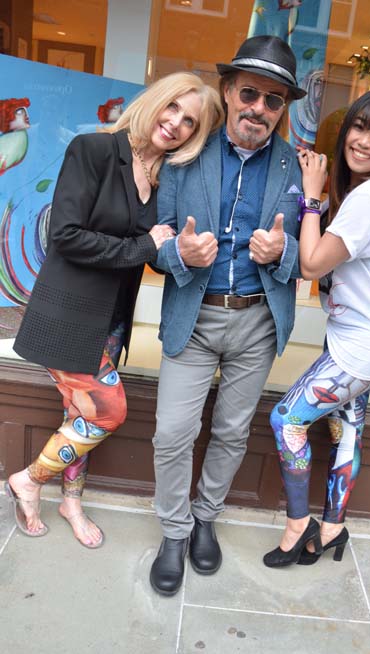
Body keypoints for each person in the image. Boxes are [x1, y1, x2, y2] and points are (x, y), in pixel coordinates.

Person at [6, 72, 223, 548]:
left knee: (77, 414)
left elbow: (155, 253)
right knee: (107, 411)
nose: (176, 124)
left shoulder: (165, 179)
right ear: (154, 103)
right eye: (173, 109)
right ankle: (29, 479)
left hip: (111, 318)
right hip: (67, 314)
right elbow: (64, 235)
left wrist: (179, 252)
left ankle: (72, 502)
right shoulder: (95, 151)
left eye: (190, 122)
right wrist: (146, 245)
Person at [150, 35, 306, 595]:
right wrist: (178, 255)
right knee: (173, 431)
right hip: (195, 315)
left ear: (283, 109)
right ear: (227, 90)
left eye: (273, 100)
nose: (258, 109)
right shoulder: (186, 153)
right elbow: (158, 242)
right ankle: (173, 530)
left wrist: (282, 255)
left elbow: (309, 257)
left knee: (232, 431)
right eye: (249, 93)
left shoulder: (299, 167)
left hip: (258, 321)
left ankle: (205, 519)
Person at [264, 88, 370, 568]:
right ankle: (332, 527)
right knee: (348, 426)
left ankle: (298, 523)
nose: (365, 141)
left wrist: (309, 197)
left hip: (365, 343)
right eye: (360, 127)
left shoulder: (369, 197)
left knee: (287, 421)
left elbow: (310, 263)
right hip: (369, 334)